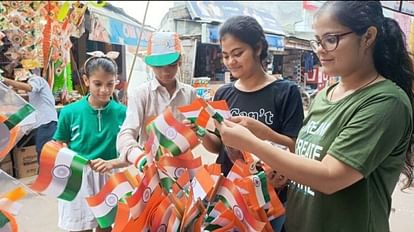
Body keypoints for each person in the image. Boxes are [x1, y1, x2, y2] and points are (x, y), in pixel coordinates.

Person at [216, 2, 414, 232]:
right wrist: (271, 147)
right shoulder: (324, 96)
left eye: (331, 39)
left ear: (368, 37)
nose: (320, 49)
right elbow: (307, 157)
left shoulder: (385, 102)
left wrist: (251, 142)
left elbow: (330, 177)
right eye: (317, 41)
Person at [199, 16, 304, 231]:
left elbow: (296, 148)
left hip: (269, 198)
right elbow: (219, 146)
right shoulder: (224, 93)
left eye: (238, 53)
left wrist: (264, 133)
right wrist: (199, 132)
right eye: (226, 56)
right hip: (229, 195)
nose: (231, 62)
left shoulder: (285, 92)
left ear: (257, 48)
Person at [96, 32, 197, 169]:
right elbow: (126, 133)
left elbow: (201, 132)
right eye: (159, 66)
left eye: (171, 65)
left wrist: (196, 129)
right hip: (150, 166)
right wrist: (138, 157)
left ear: (180, 61)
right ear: (151, 65)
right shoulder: (141, 94)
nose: (165, 72)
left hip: (183, 165)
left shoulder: (190, 93)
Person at [53, 51, 126, 232]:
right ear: (86, 81)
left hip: (109, 173)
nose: (104, 90)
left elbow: (129, 146)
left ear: (116, 81)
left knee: (105, 226)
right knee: (80, 226)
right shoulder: (69, 112)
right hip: (78, 175)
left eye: (110, 84)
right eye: (98, 84)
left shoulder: (123, 112)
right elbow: (59, 143)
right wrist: (63, 150)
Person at [0, 68, 57, 160]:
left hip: (46, 122)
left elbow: (30, 88)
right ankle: (44, 172)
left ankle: (46, 173)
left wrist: (5, 80)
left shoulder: (36, 79)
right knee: (41, 151)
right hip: (41, 123)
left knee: (44, 152)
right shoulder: (32, 87)